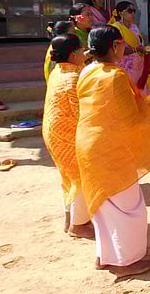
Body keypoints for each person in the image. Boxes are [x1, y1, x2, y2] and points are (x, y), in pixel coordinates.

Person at [76, 25, 150, 279]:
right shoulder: (115, 76)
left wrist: (145, 103)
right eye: (121, 44)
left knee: (104, 206)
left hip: (87, 144)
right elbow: (129, 118)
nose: (124, 48)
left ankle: (105, 256)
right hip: (110, 148)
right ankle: (126, 262)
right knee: (128, 208)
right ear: (113, 46)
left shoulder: (86, 70)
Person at [42, 33, 92, 239]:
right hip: (67, 135)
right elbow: (82, 112)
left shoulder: (59, 70)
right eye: (81, 50)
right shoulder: (72, 79)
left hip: (54, 133)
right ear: (73, 55)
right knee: (81, 177)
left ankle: (69, 218)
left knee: (68, 176)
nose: (84, 53)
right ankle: (78, 226)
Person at [109, 1, 150, 96]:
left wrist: (149, 49)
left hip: (138, 64)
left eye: (133, 11)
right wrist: (138, 50)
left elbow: (140, 45)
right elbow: (116, 50)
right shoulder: (115, 28)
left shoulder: (134, 27)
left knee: (140, 92)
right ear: (120, 13)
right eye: (129, 11)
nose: (133, 14)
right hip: (124, 66)